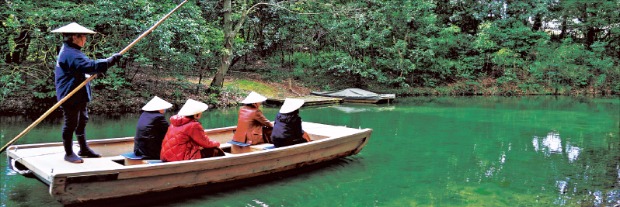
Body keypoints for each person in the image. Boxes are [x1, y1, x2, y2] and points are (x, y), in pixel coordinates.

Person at [52, 22, 123, 163]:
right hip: (69, 94)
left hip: (78, 93)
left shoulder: (73, 50)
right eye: (83, 36)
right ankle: (68, 153)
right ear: (74, 37)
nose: (85, 39)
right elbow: (90, 66)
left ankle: (83, 149)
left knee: (82, 120)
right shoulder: (70, 53)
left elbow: (81, 68)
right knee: (70, 123)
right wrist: (110, 60)